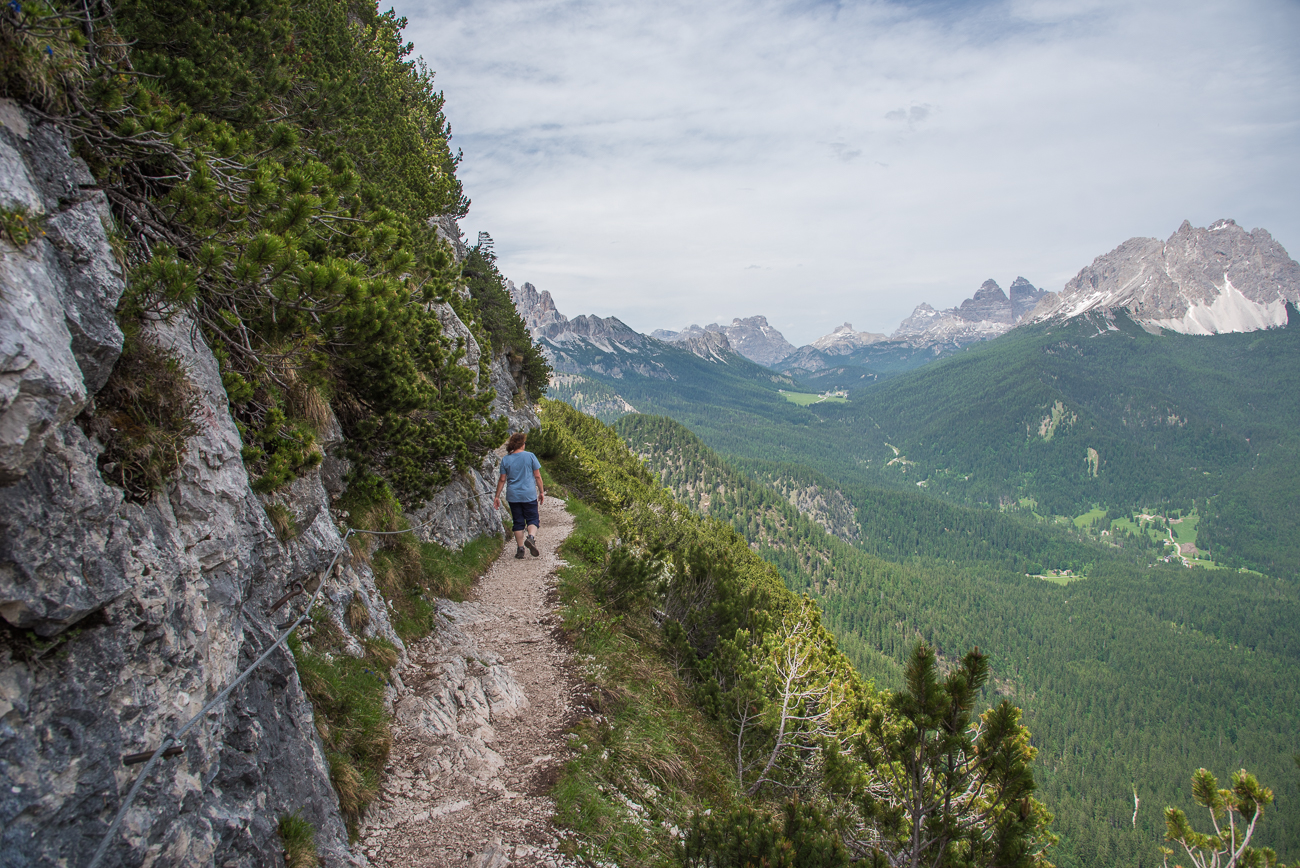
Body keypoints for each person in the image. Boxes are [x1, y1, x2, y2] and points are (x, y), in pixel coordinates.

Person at [493, 431, 545, 559]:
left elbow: (502, 479)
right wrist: (542, 492)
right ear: (522, 444)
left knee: (518, 521)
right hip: (529, 494)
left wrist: (497, 496)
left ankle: (520, 548)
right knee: (533, 519)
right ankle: (531, 537)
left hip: (513, 495)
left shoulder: (506, 459)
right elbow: (537, 476)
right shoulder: (530, 456)